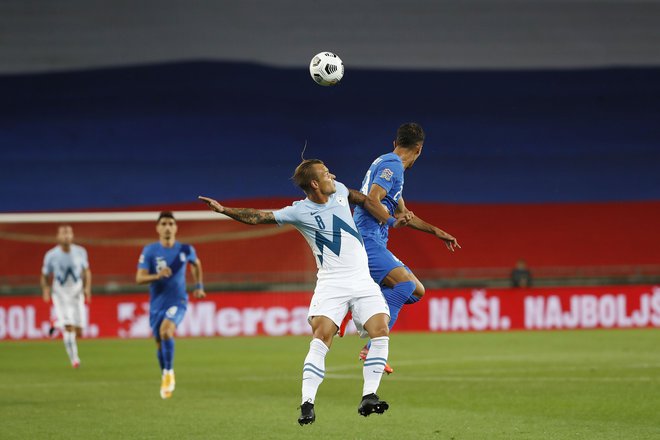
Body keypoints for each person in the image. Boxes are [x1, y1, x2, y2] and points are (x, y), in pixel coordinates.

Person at [199, 159, 411, 425]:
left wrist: (390, 219)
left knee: (381, 332)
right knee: (322, 337)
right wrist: (223, 210)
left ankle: (369, 395)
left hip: (361, 279)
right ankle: (307, 403)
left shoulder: (341, 190)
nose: (331, 175)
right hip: (332, 283)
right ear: (314, 183)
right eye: (325, 173)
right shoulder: (299, 211)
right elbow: (259, 216)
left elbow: (365, 199)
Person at [344, 122, 460, 373]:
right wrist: (391, 222)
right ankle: (374, 345)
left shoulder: (390, 165)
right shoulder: (392, 166)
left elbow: (404, 213)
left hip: (374, 239)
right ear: (419, 149)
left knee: (416, 291)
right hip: (367, 237)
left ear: (395, 143)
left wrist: (436, 231)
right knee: (404, 285)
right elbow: (371, 200)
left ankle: (359, 308)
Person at [135, 211, 206, 399]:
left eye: (171, 223)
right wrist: (156, 276)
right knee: (159, 343)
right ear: (158, 228)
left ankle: (168, 374)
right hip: (157, 304)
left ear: (175, 228)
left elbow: (196, 264)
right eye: (164, 223)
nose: (167, 227)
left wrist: (198, 286)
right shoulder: (149, 251)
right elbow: (139, 278)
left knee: (166, 332)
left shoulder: (185, 250)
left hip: (178, 301)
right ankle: (166, 372)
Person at [41, 225, 92, 368]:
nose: (66, 236)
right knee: (69, 327)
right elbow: (44, 275)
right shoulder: (51, 255)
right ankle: (75, 360)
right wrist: (45, 289)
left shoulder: (81, 252)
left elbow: (87, 271)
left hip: (77, 293)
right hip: (60, 294)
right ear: (57, 237)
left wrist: (87, 288)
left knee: (80, 331)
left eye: (68, 233)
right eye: (63, 234)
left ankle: (56, 323)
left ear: (72, 235)